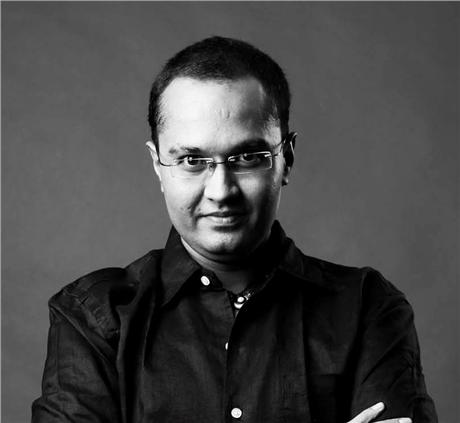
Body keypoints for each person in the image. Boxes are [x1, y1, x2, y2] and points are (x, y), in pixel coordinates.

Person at [32, 36, 437, 423]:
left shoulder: (367, 309)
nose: (221, 191)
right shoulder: (92, 317)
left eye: (247, 157)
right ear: (158, 166)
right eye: (192, 160)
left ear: (286, 158)